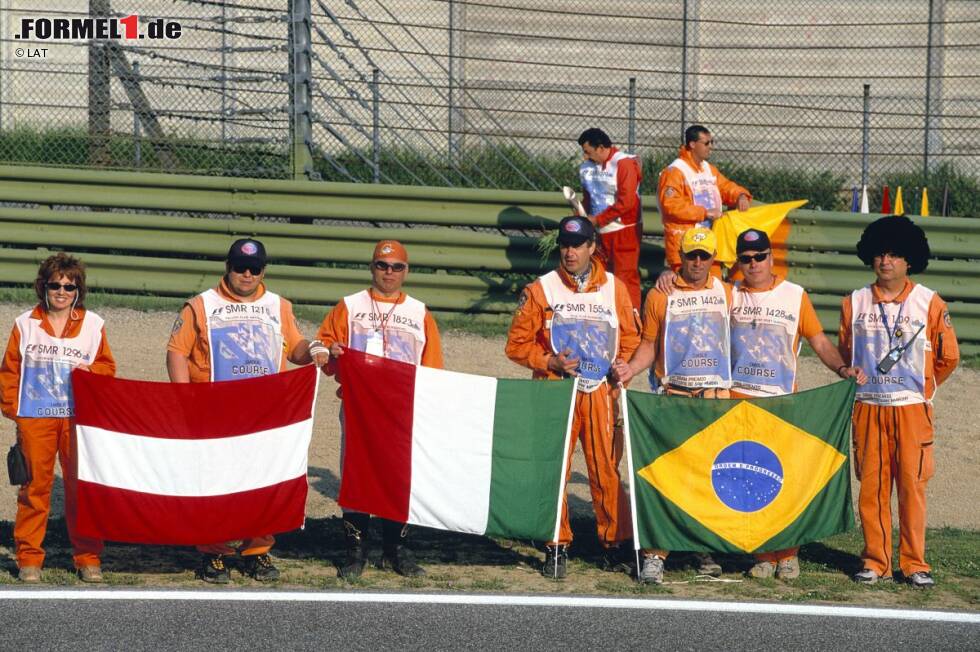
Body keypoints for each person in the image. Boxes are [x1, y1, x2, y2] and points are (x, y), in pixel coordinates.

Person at [166, 238, 323, 584]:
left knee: (262, 481)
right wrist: (182, 399)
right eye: (240, 267)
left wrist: (314, 349)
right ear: (228, 267)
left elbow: (295, 347)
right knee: (214, 481)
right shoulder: (199, 305)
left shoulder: (278, 305)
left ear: (263, 270)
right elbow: (177, 352)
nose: (247, 274)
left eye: (254, 268)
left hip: (264, 412)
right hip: (214, 409)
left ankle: (257, 551)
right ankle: (214, 553)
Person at [506, 215, 640, 579]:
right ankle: (555, 544)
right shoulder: (541, 289)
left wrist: (623, 365)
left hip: (601, 393)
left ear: (592, 247)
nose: (570, 252)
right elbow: (515, 345)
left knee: (605, 470)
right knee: (552, 470)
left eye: (577, 245)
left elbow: (630, 338)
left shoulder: (615, 287)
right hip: (554, 390)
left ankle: (616, 544)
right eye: (564, 245)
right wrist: (547, 360)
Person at [729, 228, 866, 580]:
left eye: (760, 256)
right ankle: (761, 554)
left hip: (781, 403)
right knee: (748, 481)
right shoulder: (729, 294)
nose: (754, 263)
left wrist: (841, 368)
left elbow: (818, 340)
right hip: (739, 402)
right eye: (746, 258)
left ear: (771, 256)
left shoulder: (794, 295)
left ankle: (788, 554)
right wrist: (668, 276)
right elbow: (691, 283)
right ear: (739, 262)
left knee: (782, 481)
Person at [840, 216, 958, 588]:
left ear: (909, 260)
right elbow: (847, 351)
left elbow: (948, 357)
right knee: (872, 489)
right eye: (879, 254)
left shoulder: (930, 302)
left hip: (911, 409)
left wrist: (923, 386)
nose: (885, 261)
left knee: (911, 487)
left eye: (894, 254)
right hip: (869, 406)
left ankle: (914, 563)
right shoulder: (854, 302)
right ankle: (875, 561)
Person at [611, 227, 731, 584]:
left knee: (708, 477)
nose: (697, 262)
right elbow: (649, 343)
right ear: (680, 256)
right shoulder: (659, 295)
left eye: (704, 256)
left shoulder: (727, 292)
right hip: (674, 395)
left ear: (713, 259)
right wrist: (630, 368)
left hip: (714, 399)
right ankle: (655, 554)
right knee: (666, 477)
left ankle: (701, 546)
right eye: (691, 255)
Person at [317, 240, 443, 580]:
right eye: (382, 266)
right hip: (359, 407)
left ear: (407, 271)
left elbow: (432, 368)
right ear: (372, 268)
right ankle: (356, 552)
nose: (389, 273)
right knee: (357, 474)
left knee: (399, 478)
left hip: (403, 410)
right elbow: (324, 348)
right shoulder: (349, 306)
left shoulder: (420, 312)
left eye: (396, 267)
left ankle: (395, 550)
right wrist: (332, 351)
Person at [0, 253, 115, 583]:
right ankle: (29, 559)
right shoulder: (25, 324)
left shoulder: (93, 325)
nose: (62, 291)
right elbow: (9, 372)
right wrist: (16, 413)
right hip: (36, 418)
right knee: (34, 488)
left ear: (78, 290)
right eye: (55, 285)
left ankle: (88, 557)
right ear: (43, 287)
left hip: (78, 420)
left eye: (69, 285)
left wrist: (90, 370)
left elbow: (107, 368)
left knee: (82, 488)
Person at [657, 125, 751, 273]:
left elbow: (725, 186)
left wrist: (740, 195)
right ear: (693, 144)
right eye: (706, 143)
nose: (711, 147)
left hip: (709, 242)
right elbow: (671, 206)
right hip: (685, 247)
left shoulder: (707, 168)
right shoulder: (674, 172)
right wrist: (705, 213)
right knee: (686, 290)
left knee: (713, 288)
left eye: (712, 142)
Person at [577, 127, 643, 310]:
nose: (585, 157)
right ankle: (604, 318)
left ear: (600, 148)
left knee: (625, 278)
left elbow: (627, 202)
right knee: (600, 276)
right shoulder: (587, 168)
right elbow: (588, 197)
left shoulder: (623, 164)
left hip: (624, 229)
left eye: (588, 152)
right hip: (598, 231)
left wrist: (598, 220)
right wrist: (579, 214)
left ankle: (631, 324)